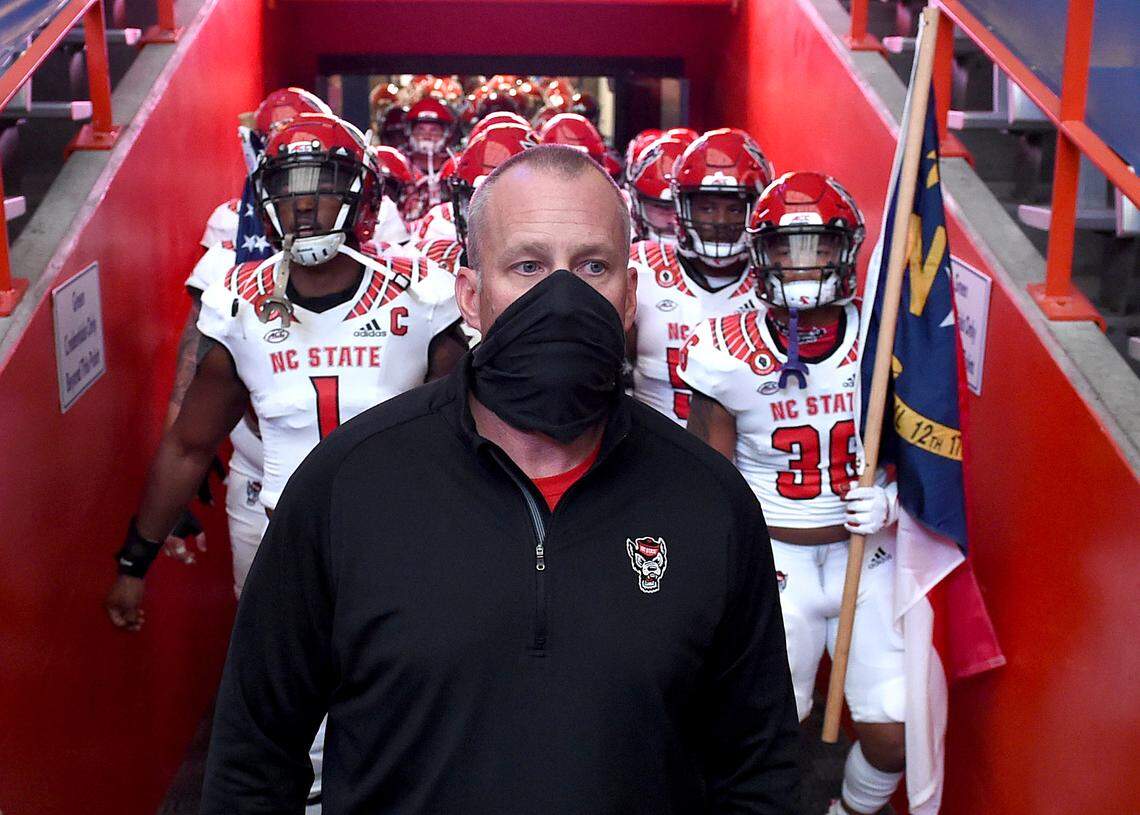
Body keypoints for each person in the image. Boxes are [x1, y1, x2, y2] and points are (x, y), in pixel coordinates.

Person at [200, 144, 800, 814]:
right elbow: (253, 756)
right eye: (527, 265)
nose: (562, 296)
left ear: (630, 297)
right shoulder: (347, 486)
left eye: (592, 266)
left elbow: (760, 769)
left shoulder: (709, 502)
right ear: (470, 296)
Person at [677, 172, 905, 815]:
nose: (801, 265)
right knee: (770, 730)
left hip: (867, 553)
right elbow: (709, 479)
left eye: (817, 247)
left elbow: (918, 446)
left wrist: (893, 499)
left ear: (846, 250)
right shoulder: (724, 347)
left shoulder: (880, 339)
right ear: (761, 253)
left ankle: (851, 811)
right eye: (785, 248)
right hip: (774, 555)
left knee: (894, 730)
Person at [628, 128, 773, 425]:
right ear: (681, 206)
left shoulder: (774, 283)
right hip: (651, 450)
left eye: (734, 208)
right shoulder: (642, 266)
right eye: (706, 207)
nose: (720, 222)